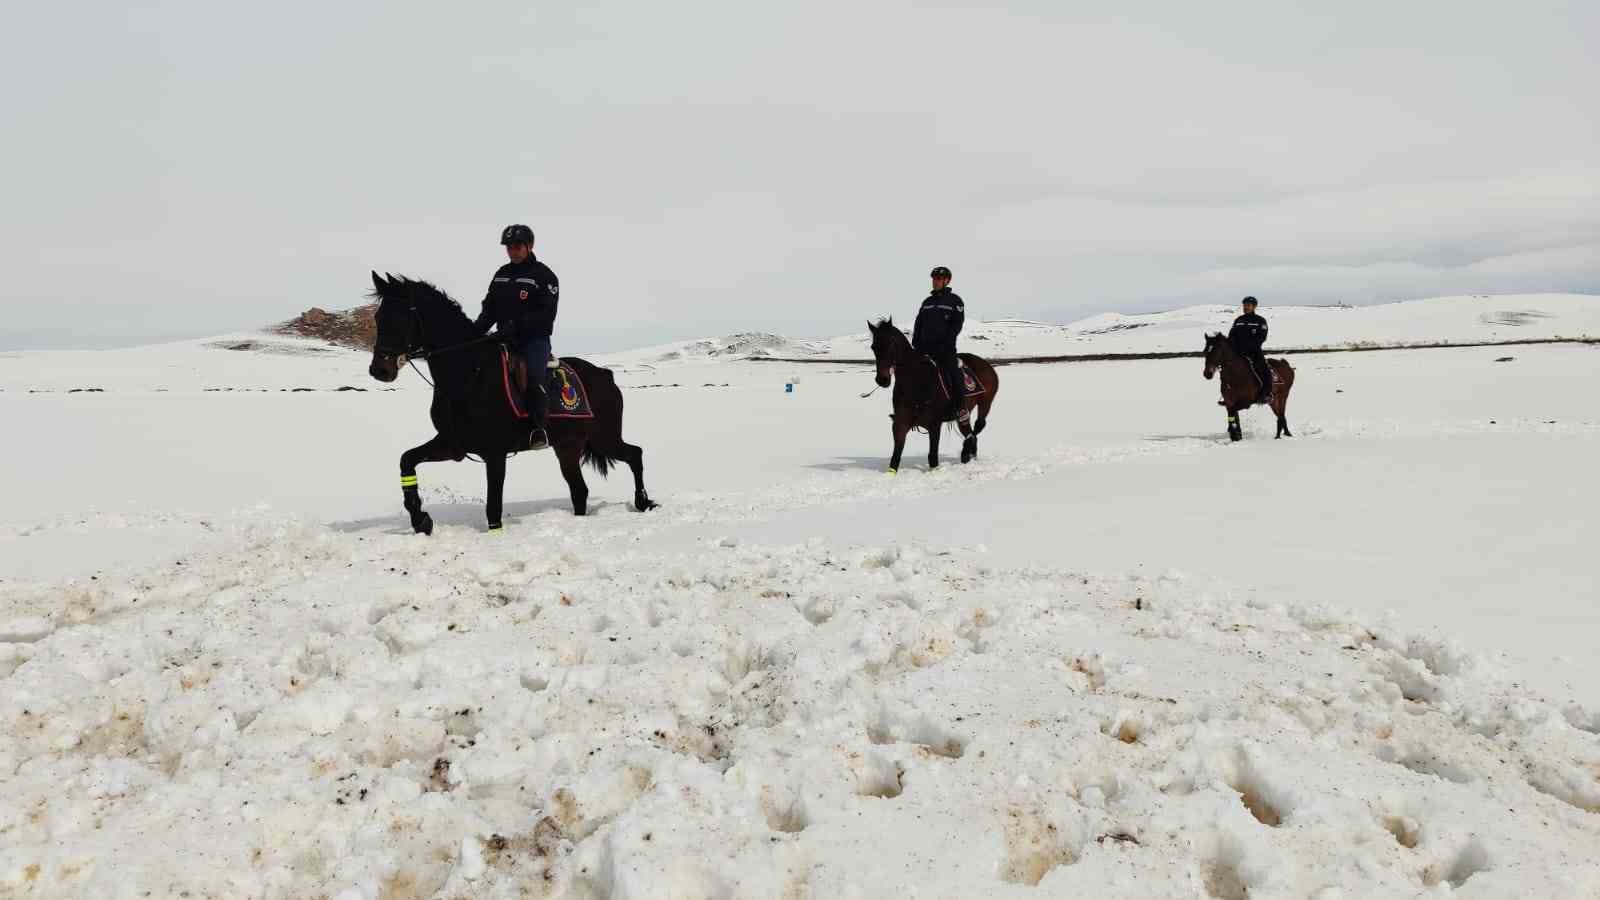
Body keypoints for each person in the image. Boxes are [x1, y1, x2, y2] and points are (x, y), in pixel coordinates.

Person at [473, 224, 560, 441]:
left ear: (529, 246)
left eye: (518, 246)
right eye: (509, 247)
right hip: (504, 338)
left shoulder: (545, 276)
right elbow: (489, 310)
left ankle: (538, 428)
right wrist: (473, 333)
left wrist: (517, 325)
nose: (513, 250)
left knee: (533, 377)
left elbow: (546, 315)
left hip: (534, 340)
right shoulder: (501, 274)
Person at [911, 266, 966, 420]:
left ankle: (961, 407)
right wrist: (916, 342)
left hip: (945, 348)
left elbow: (957, 324)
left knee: (953, 371)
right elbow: (919, 323)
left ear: (946, 281)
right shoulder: (927, 302)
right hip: (924, 348)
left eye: (939, 279)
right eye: (934, 279)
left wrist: (946, 342)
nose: (935, 282)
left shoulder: (955, 300)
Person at [1229, 296, 1272, 403]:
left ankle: (1266, 394)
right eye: (1244, 305)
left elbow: (1261, 337)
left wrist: (1247, 347)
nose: (1246, 307)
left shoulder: (1260, 321)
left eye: (1248, 305)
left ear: (1254, 307)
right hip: (1237, 352)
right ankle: (1228, 393)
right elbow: (1231, 336)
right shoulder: (1238, 320)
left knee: (1265, 370)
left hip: (1254, 352)